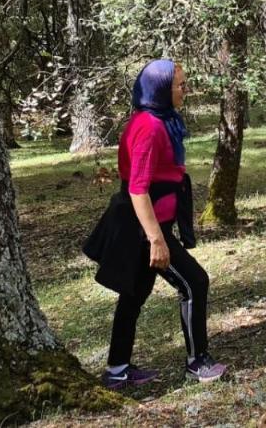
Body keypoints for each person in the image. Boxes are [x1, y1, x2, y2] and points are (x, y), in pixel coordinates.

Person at [85, 60, 227, 386]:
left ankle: (117, 370)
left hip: (147, 225)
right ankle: (197, 362)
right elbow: (138, 189)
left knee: (133, 295)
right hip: (142, 229)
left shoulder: (162, 121)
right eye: (180, 85)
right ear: (161, 90)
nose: (185, 91)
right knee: (194, 282)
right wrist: (156, 239)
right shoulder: (149, 127)